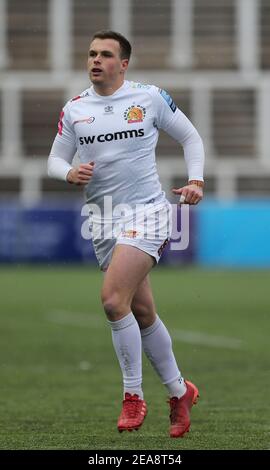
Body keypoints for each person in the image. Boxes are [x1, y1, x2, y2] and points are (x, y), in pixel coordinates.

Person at [48, 30, 204, 438]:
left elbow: (190, 136)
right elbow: (55, 158)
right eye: (91, 54)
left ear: (123, 63)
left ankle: (133, 396)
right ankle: (179, 391)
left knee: (113, 301)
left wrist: (197, 181)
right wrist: (67, 171)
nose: (95, 60)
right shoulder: (76, 109)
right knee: (142, 311)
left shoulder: (148, 98)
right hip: (102, 217)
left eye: (105, 54)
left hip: (148, 211)